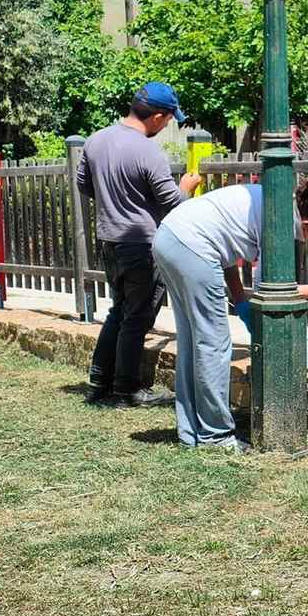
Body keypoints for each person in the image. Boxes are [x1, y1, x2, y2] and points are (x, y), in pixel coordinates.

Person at [152, 178, 308, 451]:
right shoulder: (280, 221)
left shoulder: (274, 200)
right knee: (214, 344)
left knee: (192, 339)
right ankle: (216, 437)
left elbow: (226, 253)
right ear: (307, 224)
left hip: (169, 237)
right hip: (194, 245)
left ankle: (191, 432)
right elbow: (272, 288)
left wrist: (240, 301)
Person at [77, 82, 201, 406]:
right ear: (157, 116)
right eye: (169, 119)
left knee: (119, 310)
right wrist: (186, 186)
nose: (167, 124)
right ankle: (127, 389)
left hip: (109, 240)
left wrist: (114, 201)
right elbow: (172, 202)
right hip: (141, 245)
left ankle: (99, 383)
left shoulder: (95, 140)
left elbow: (83, 184)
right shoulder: (148, 151)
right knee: (137, 317)